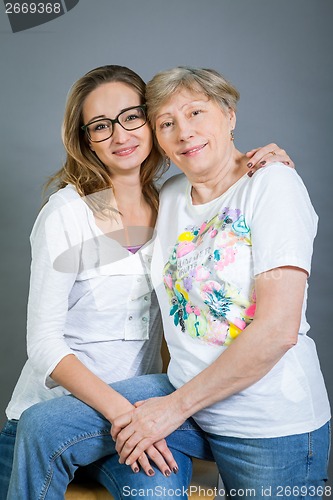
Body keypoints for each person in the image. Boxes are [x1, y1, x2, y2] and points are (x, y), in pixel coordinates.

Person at [2, 64, 295, 500]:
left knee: (159, 493)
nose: (120, 135)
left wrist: (264, 161)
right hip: (60, 419)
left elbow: (224, 173)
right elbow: (43, 344)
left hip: (144, 419)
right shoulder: (67, 214)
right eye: (101, 126)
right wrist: (126, 413)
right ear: (85, 140)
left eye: (132, 117)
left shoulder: (175, 203)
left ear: (151, 121)